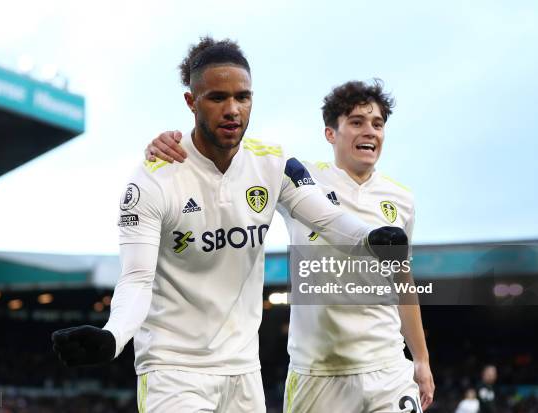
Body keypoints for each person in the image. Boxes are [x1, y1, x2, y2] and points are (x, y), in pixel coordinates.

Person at [52, 38, 407, 413]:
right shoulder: (153, 180)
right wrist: (114, 336)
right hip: (173, 371)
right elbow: (136, 279)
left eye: (243, 97)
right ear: (191, 102)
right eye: (217, 97)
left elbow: (329, 220)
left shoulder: (274, 164)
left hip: (243, 372)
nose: (233, 110)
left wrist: (371, 238)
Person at [144, 80, 434, 412]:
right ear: (330, 134)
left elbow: (403, 283)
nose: (369, 131)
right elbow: (231, 154)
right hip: (318, 374)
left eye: (378, 124)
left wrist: (421, 360)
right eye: (356, 122)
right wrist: (166, 143)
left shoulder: (402, 199)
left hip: (388, 368)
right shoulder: (297, 176)